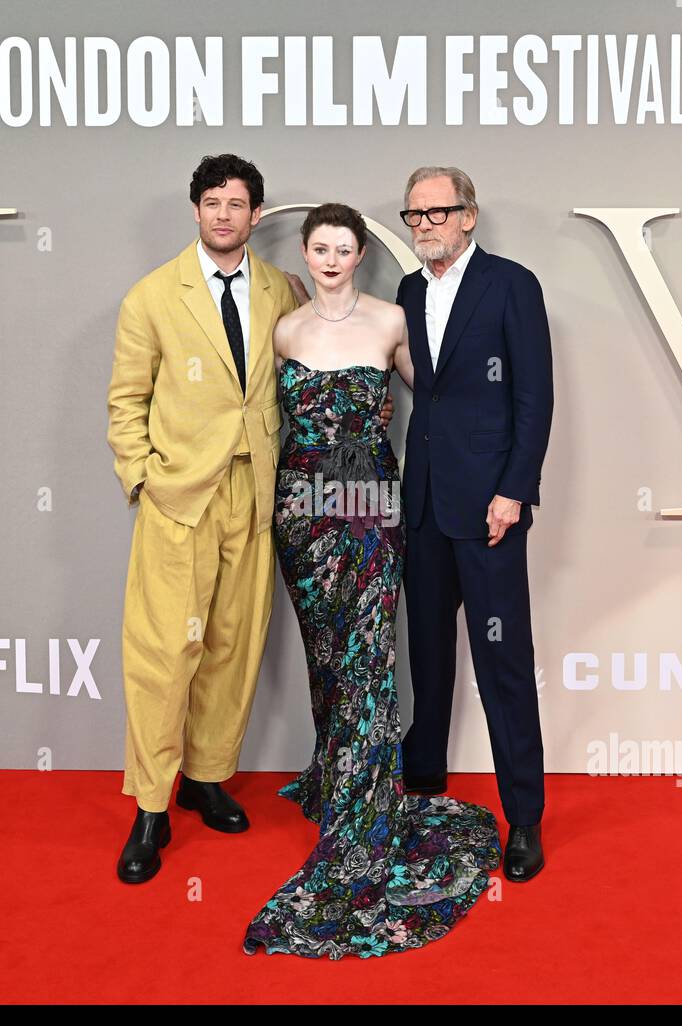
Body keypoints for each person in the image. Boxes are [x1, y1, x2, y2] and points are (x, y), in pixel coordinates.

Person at [107, 156, 393, 885]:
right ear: (196, 211)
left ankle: (206, 777)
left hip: (264, 496)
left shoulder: (282, 292)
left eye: (238, 204)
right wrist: (144, 479)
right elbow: (125, 400)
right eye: (213, 203)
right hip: (183, 497)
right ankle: (150, 806)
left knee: (233, 646)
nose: (225, 215)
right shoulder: (150, 297)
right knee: (165, 651)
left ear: (258, 216)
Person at [241, 203, 501, 959]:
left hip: (368, 506)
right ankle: (336, 776)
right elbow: (262, 418)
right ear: (305, 252)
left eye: (343, 247)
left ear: (360, 254)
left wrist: (488, 460)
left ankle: (364, 810)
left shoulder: (392, 321)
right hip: (301, 510)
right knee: (328, 657)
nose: (330, 258)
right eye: (318, 248)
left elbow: (441, 398)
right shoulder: (284, 329)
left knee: (367, 661)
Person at [395, 166, 554, 881]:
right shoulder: (407, 290)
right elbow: (427, 392)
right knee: (426, 657)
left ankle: (523, 819)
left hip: (489, 506)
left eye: (438, 212)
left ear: (469, 216)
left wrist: (514, 491)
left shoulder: (512, 284)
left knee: (503, 665)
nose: (425, 224)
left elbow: (535, 398)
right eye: (414, 215)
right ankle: (423, 787)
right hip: (424, 504)